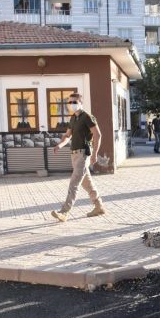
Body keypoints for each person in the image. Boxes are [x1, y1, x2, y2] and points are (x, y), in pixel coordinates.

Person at [51, 93, 105, 222]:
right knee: (87, 184)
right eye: (69, 102)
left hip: (83, 154)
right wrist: (60, 145)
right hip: (74, 154)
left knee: (74, 183)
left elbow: (98, 135)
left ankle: (64, 211)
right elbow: (68, 135)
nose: (71, 105)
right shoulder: (73, 119)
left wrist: (95, 153)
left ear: (80, 103)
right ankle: (99, 206)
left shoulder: (87, 117)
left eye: (74, 102)